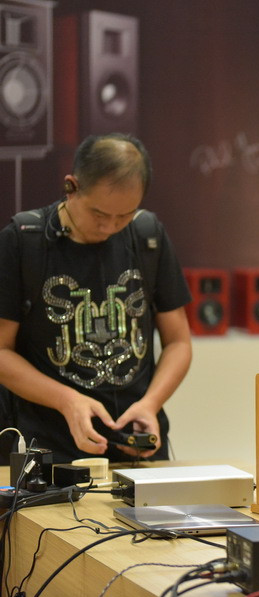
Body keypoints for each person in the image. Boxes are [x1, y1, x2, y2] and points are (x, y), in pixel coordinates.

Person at [0, 133, 192, 464]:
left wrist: (150, 404)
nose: (110, 227)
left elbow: (179, 343)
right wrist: (67, 400)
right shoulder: (23, 242)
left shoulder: (149, 236)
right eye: (99, 213)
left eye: (124, 215)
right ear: (71, 187)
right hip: (48, 448)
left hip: (136, 444)